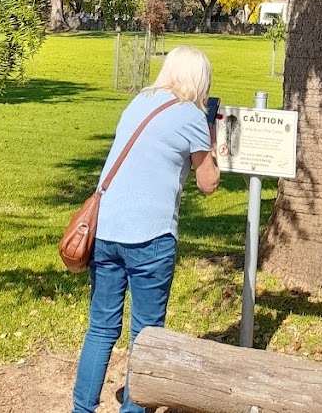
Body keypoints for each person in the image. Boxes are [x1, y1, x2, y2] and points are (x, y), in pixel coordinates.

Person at [71, 45, 220, 413]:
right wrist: (213, 142)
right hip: (150, 237)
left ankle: (81, 408)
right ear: (200, 80)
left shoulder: (139, 102)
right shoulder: (190, 116)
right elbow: (208, 183)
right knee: (147, 335)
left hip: (105, 230)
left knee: (101, 327)